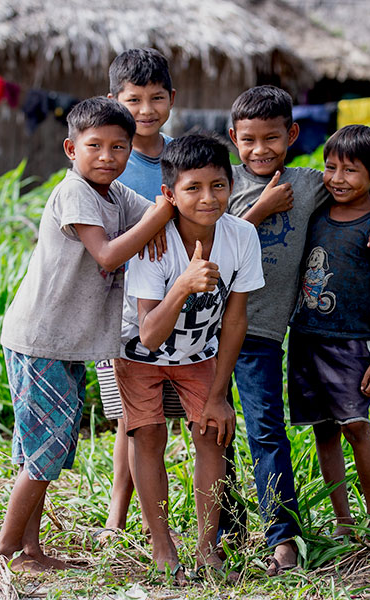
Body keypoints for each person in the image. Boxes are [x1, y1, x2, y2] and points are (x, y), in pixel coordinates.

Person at [0, 97, 173, 573]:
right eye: (95, 146)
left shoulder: (115, 195)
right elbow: (108, 255)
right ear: (72, 148)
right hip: (42, 338)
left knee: (46, 449)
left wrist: (160, 213)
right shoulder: (75, 192)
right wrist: (155, 221)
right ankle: (3, 552)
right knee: (46, 452)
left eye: (119, 147)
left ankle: (30, 551)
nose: (108, 156)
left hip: (67, 341)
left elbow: (158, 207)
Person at [226, 85, 370, 575]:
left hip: (265, 333)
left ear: (292, 135)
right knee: (213, 432)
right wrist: (261, 207)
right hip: (212, 332)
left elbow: (364, 183)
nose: (260, 149)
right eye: (249, 139)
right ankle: (223, 528)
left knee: (270, 431)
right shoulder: (220, 182)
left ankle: (289, 534)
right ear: (234, 138)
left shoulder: (308, 185)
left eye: (272, 138)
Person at [115, 134, 264, 582]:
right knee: (149, 437)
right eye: (193, 188)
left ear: (232, 185)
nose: (208, 198)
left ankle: (206, 549)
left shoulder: (242, 235)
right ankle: (163, 548)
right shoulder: (154, 242)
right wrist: (182, 284)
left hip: (200, 353)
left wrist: (219, 395)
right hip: (139, 354)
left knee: (211, 434)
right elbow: (149, 333)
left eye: (218, 186)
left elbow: (235, 322)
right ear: (169, 195)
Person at [287, 124, 370, 538]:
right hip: (305, 336)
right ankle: (343, 520)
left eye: (350, 170)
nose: (337, 178)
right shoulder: (316, 211)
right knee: (324, 429)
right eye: (330, 167)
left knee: (356, 426)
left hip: (350, 343)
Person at [93, 47, 186, 544]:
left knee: (161, 417)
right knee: (132, 415)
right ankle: (118, 512)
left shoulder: (180, 156)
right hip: (120, 306)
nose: (145, 110)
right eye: (133, 100)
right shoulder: (110, 158)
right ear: (114, 100)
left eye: (155, 98)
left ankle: (150, 513)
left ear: (172, 98)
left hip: (176, 306)